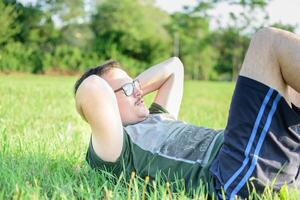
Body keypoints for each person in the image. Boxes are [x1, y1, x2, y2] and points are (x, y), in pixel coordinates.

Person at [74, 27, 300, 199]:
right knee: (267, 42)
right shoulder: (116, 147)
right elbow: (92, 87)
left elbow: (174, 66)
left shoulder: (157, 116)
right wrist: (118, 95)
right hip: (232, 177)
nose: (138, 91)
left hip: (261, 158)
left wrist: (130, 87)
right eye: (127, 88)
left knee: (291, 87)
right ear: (107, 106)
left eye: (135, 84)